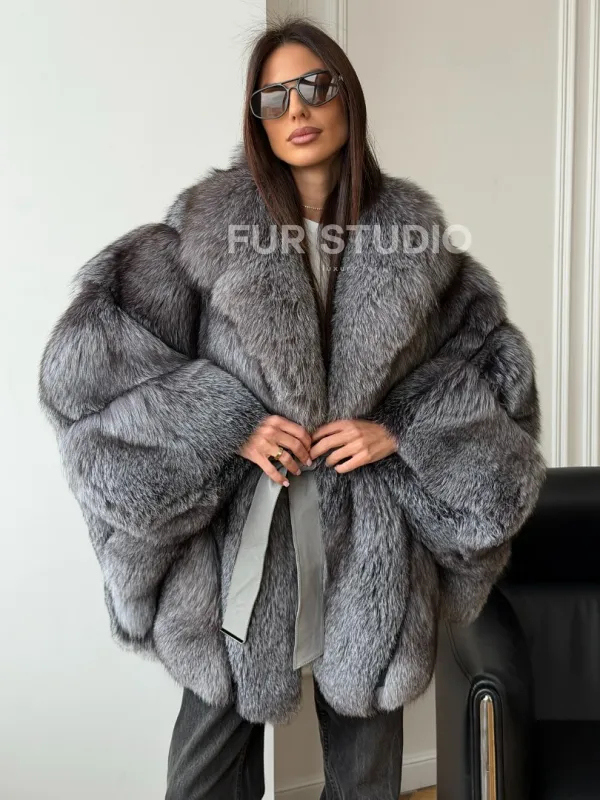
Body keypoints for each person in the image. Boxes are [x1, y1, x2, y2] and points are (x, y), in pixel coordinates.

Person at [37, 16, 547, 800]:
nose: (297, 109)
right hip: (241, 551)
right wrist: (226, 422)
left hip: (372, 555)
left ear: (347, 97)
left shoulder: (419, 251)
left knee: (366, 779)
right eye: (273, 97)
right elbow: (84, 373)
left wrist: (400, 430)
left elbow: (499, 385)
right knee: (202, 780)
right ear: (257, 119)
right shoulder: (196, 239)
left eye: (314, 86)